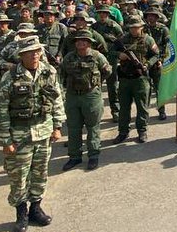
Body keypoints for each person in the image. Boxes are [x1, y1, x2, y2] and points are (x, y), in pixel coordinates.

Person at [0, 36, 64, 232]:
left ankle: (36, 208)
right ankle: (21, 213)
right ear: (21, 55)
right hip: (19, 134)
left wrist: (57, 126)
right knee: (19, 177)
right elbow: (2, 109)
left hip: (43, 131)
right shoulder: (11, 77)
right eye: (30, 52)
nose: (35, 55)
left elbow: (57, 99)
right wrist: (6, 140)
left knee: (40, 173)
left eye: (37, 51)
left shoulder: (48, 71)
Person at [59, 32, 111, 167]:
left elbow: (107, 71)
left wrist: (96, 84)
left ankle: (93, 155)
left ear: (89, 42)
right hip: (72, 96)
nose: (80, 43)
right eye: (77, 40)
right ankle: (75, 156)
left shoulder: (97, 56)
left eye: (83, 40)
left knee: (93, 126)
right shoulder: (69, 57)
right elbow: (62, 73)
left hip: (91, 96)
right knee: (73, 127)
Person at [114, 15, 159, 144]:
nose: (134, 30)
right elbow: (110, 52)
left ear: (142, 27)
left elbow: (156, 55)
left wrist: (147, 65)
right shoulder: (122, 40)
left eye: (136, 27)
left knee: (142, 107)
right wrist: (119, 55)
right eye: (131, 28)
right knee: (124, 107)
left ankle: (142, 130)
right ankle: (123, 132)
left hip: (141, 78)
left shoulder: (148, 40)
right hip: (125, 79)